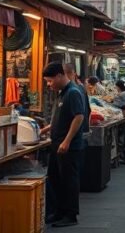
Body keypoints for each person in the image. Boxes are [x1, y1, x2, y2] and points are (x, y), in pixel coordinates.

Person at [40, 62, 86, 228]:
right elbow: (62, 117)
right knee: (56, 179)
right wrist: (46, 129)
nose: (49, 84)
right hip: (57, 143)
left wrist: (67, 140)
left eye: (50, 81)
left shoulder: (73, 92)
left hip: (68, 146)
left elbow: (78, 117)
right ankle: (59, 212)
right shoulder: (61, 94)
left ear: (60, 75)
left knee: (68, 180)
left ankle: (70, 215)